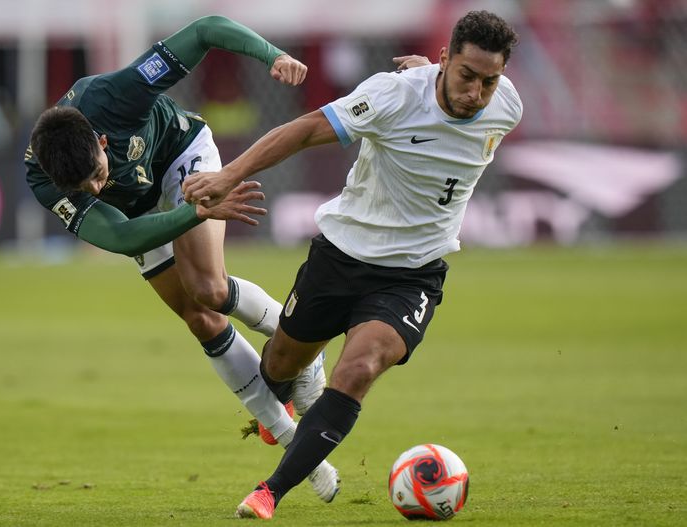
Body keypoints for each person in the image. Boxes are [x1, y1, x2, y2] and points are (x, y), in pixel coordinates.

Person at [182, 10, 523, 519]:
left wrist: (436, 74)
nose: (477, 93)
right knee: (278, 365)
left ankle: (269, 492)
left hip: (414, 274)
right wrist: (228, 175)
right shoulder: (393, 95)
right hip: (341, 255)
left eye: (489, 81)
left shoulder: (508, 106)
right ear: (445, 60)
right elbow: (304, 130)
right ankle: (300, 375)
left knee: (360, 367)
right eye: (466, 76)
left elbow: (471, 97)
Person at [24, 15, 338, 502]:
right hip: (142, 210)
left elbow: (206, 30)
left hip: (180, 155)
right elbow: (124, 235)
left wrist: (272, 55)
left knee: (209, 287)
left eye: (97, 174)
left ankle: (299, 346)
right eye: (82, 188)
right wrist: (196, 213)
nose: (94, 189)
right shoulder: (43, 178)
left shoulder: (116, 94)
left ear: (103, 142)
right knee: (199, 318)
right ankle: (290, 436)